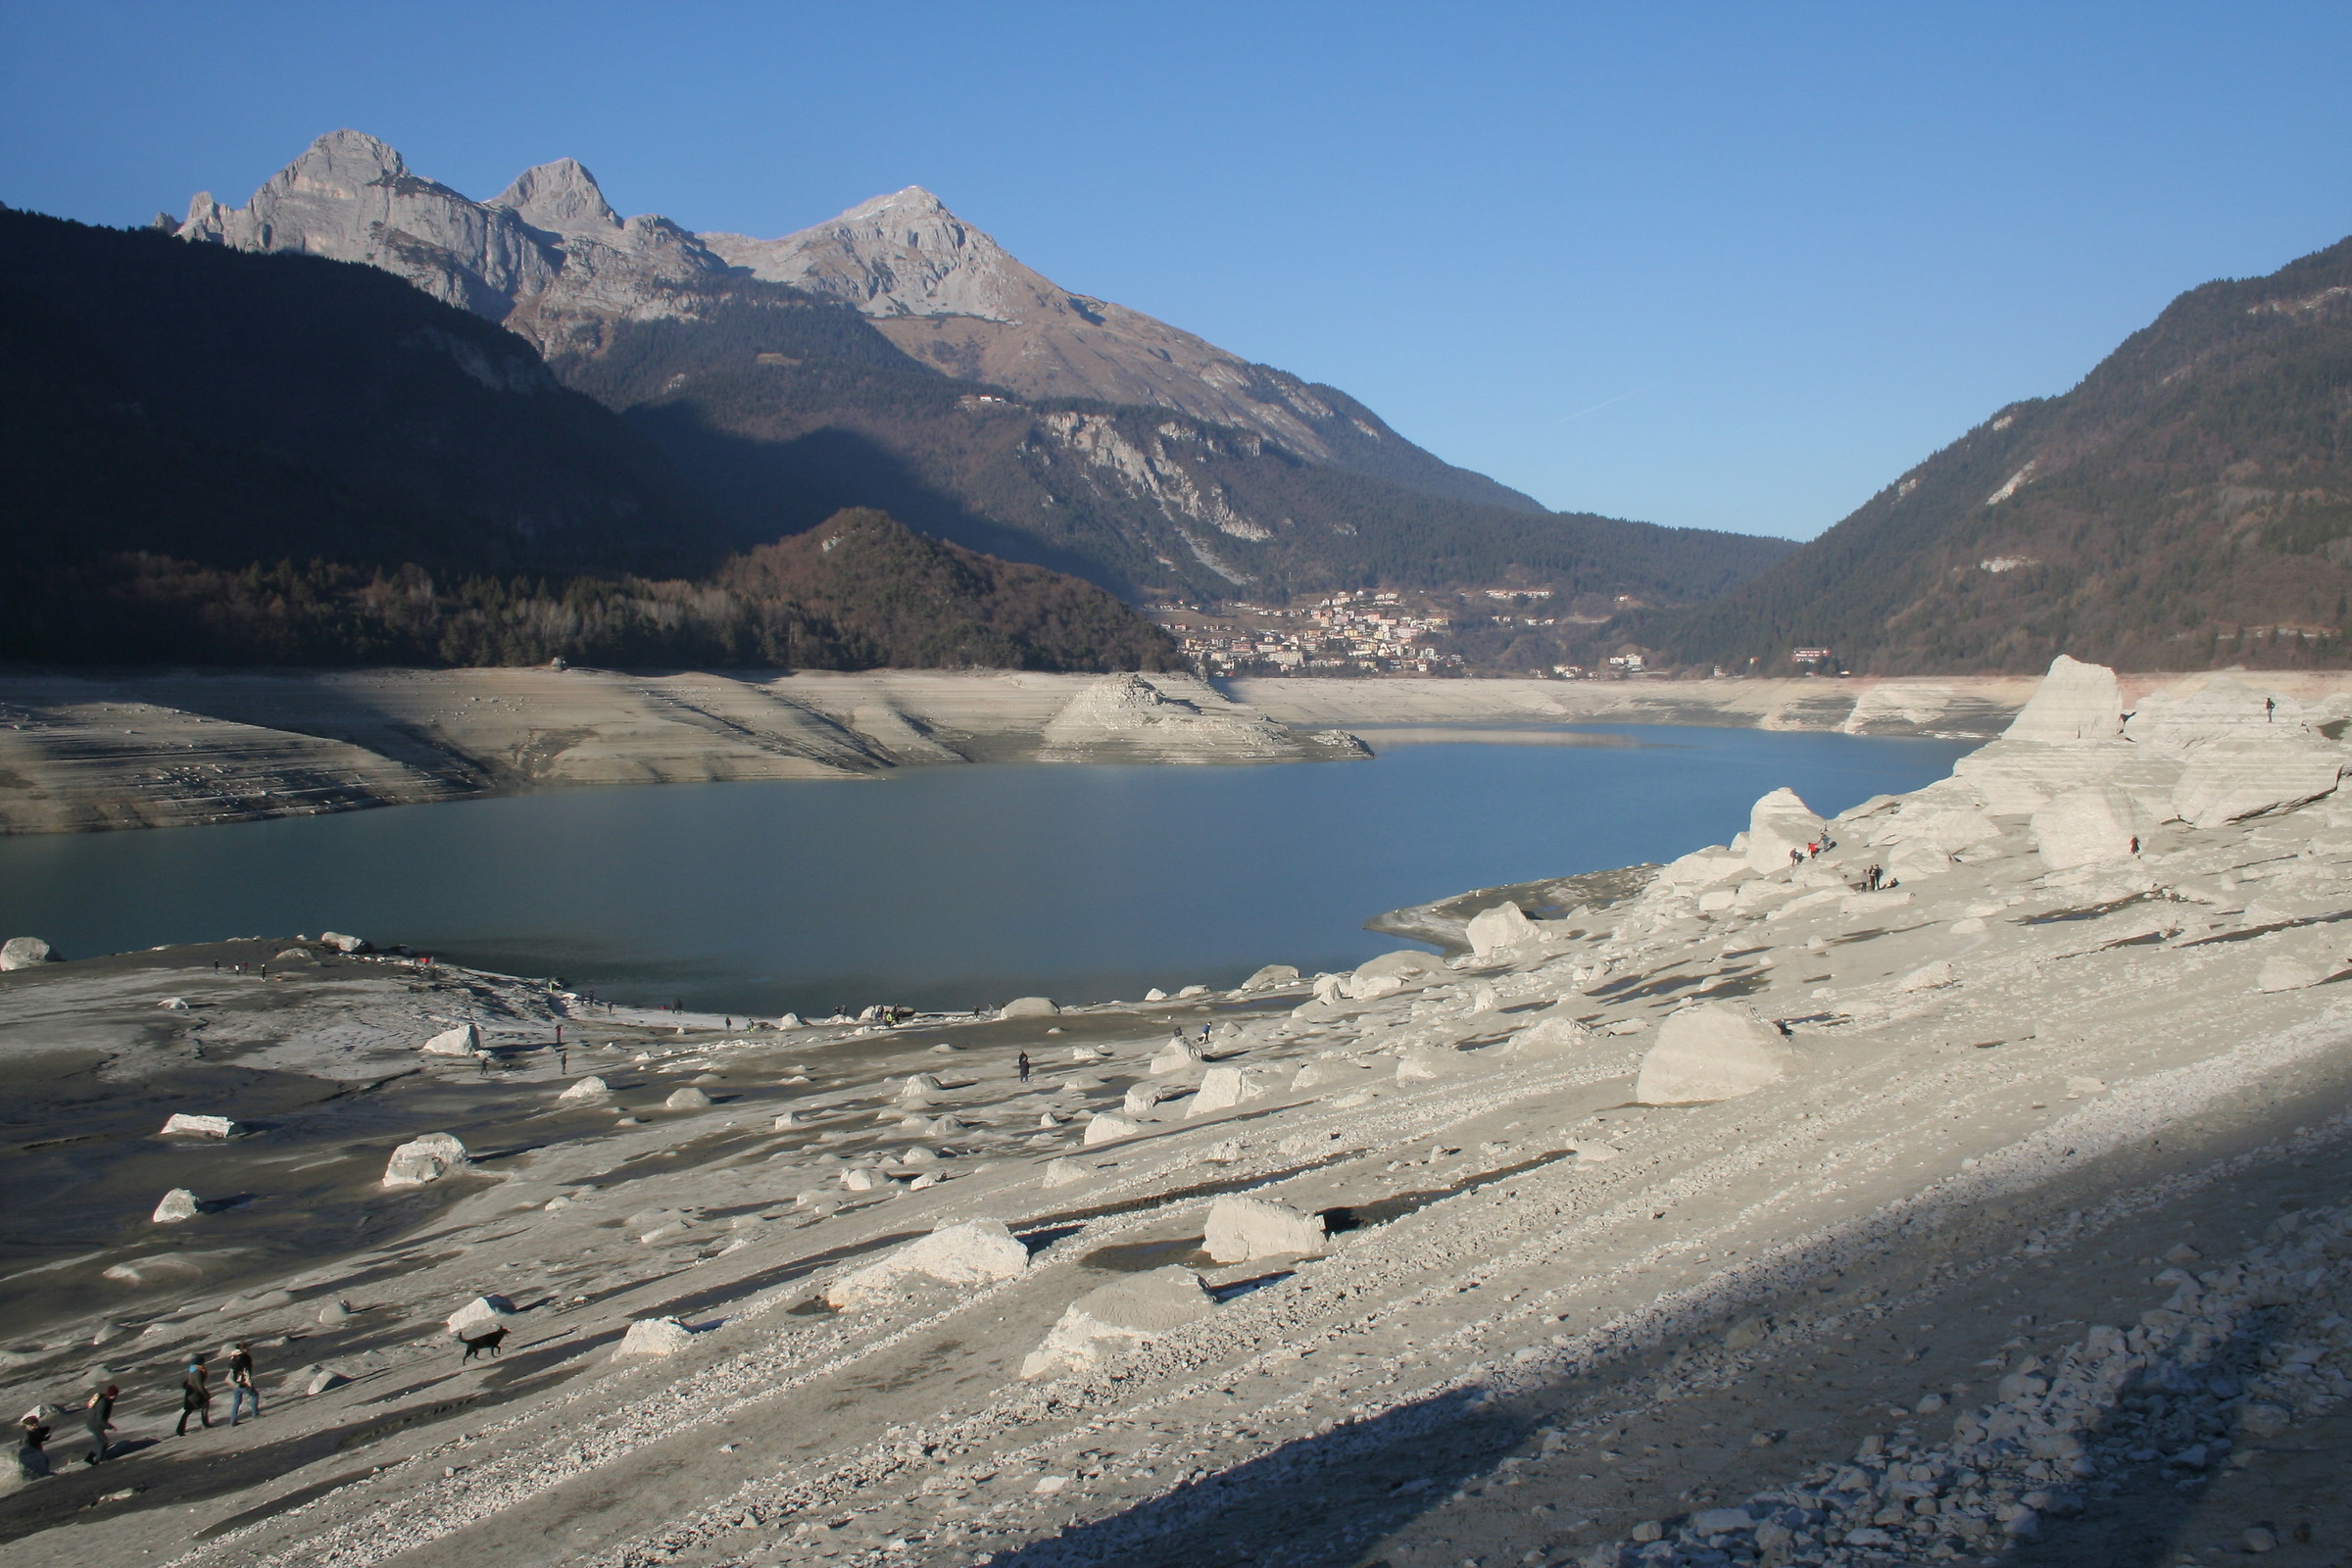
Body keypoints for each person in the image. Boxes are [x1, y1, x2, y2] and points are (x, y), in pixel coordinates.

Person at [226, 1341, 260, 1426]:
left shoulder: (233, 1357)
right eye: (248, 1348)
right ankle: (255, 1414)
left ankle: (233, 1420)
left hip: (234, 1383)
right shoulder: (245, 1358)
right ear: (244, 1349)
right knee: (254, 1395)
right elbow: (246, 1371)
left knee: (237, 1401)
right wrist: (249, 1383)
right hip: (243, 1382)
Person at [177, 1355, 212, 1435]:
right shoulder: (198, 1372)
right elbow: (199, 1385)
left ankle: (180, 1430)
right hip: (195, 1394)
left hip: (190, 1393)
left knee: (187, 1412)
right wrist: (205, 1394)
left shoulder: (192, 1369)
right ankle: (205, 1423)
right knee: (205, 1404)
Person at [81, 1385, 116, 1464]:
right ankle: (100, 1458)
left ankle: (90, 1457)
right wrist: (109, 1426)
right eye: (114, 1395)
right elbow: (100, 1418)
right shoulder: (103, 1402)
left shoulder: (106, 1400)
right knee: (103, 1441)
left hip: (94, 1423)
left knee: (101, 1441)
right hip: (94, 1424)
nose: (115, 1397)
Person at [16, 1412, 51, 1482]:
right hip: (32, 1454)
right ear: (26, 1426)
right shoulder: (27, 1435)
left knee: (45, 1460)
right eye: (32, 1425)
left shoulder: (34, 1432)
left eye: (36, 1424)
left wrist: (43, 1438)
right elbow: (29, 1445)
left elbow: (38, 1437)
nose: (35, 1426)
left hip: (37, 1451)